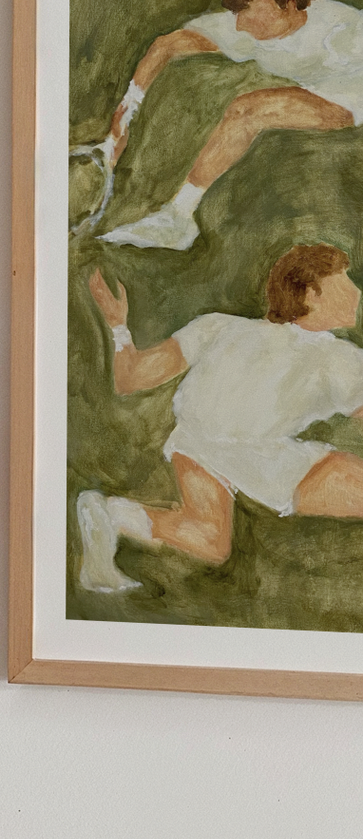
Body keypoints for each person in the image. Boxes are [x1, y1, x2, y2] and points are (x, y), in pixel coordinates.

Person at [76, 248, 363, 593]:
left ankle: (110, 514)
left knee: (209, 537)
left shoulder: (218, 325)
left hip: (195, 443)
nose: (356, 292)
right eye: (344, 282)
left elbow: (131, 378)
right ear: (312, 294)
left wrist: (118, 326)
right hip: (258, 455)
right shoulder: (338, 358)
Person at [96, 0, 363, 251]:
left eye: (251, 12)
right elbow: (165, 46)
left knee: (246, 109)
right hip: (318, 85)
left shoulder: (345, 30)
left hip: (352, 94)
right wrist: (125, 115)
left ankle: (178, 218)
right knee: (245, 106)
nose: (239, 25)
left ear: (288, 5)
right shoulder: (245, 28)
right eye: (239, 13)